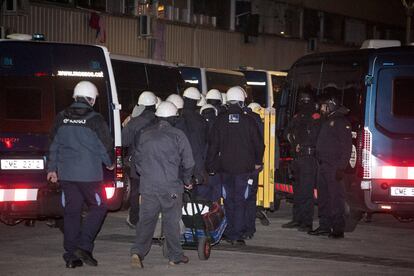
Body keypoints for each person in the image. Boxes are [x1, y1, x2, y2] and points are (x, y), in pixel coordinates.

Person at [47, 81, 114, 268]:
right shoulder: (95, 119)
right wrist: (110, 163)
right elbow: (104, 145)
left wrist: (52, 169)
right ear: (91, 99)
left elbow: (54, 145)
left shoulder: (61, 117)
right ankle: (84, 246)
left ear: (75, 97)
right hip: (89, 176)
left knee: (71, 213)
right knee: (99, 207)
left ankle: (71, 257)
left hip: (67, 175)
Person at [130, 101, 195, 268]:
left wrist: (147, 175)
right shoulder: (178, 135)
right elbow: (189, 162)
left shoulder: (145, 134)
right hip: (170, 188)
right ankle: (175, 256)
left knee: (146, 221)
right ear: (173, 118)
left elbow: (137, 160)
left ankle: (137, 252)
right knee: (171, 222)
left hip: (148, 187)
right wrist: (187, 181)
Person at [206, 86, 265, 245]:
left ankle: (230, 231)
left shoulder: (220, 120)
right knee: (240, 200)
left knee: (228, 200)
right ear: (241, 101)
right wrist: (258, 162)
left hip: (224, 168)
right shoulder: (249, 120)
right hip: (244, 170)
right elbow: (259, 144)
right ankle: (237, 235)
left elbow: (213, 146)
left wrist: (210, 167)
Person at [308, 94, 352, 239]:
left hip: (334, 167)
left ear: (331, 104)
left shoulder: (340, 121)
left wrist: (341, 167)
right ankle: (325, 226)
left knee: (335, 198)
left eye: (323, 105)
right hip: (323, 165)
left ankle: (338, 229)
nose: (321, 108)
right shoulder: (327, 120)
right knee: (324, 198)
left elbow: (347, 147)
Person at [282, 93, 321, 232]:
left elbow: (315, 137)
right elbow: (286, 132)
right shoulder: (297, 117)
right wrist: (294, 141)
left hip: (308, 157)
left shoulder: (315, 117)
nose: (303, 104)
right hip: (297, 158)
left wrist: (302, 144)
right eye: (302, 101)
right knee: (297, 191)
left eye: (306, 101)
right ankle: (297, 219)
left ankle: (306, 222)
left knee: (306, 192)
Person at [122, 91, 157, 229]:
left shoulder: (134, 122)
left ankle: (135, 219)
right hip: (157, 162)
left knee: (136, 191)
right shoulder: (160, 120)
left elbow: (124, 142)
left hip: (137, 163)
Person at [175, 87, 209, 186]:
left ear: (184, 98)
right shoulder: (201, 120)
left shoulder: (177, 119)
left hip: (180, 163)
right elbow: (206, 142)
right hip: (198, 162)